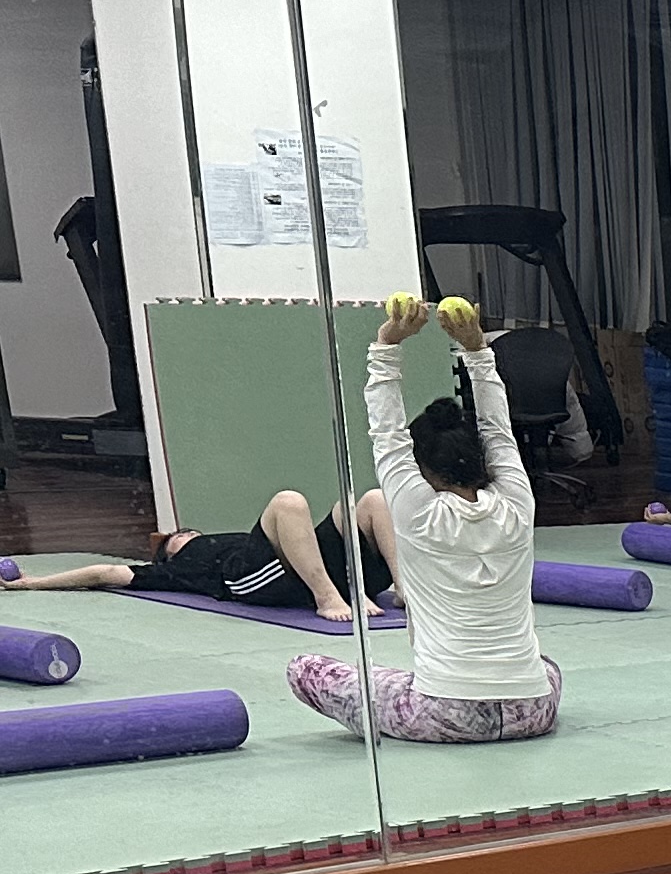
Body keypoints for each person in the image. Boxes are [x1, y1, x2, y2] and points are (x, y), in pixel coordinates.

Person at [281, 292, 562, 746]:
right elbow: (498, 430)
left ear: (423, 468)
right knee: (545, 666)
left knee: (305, 669)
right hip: (533, 709)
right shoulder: (517, 501)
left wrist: (387, 343)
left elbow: (387, 434)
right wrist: (476, 348)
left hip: (446, 713)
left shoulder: (419, 512)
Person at [4, 486, 403, 626]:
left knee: (371, 500)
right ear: (169, 554)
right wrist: (33, 583)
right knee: (288, 502)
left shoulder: (227, 539)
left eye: (187, 531)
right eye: (176, 538)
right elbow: (104, 572)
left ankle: (405, 588)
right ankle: (330, 597)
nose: (184, 534)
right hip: (252, 580)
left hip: (310, 570)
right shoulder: (175, 571)